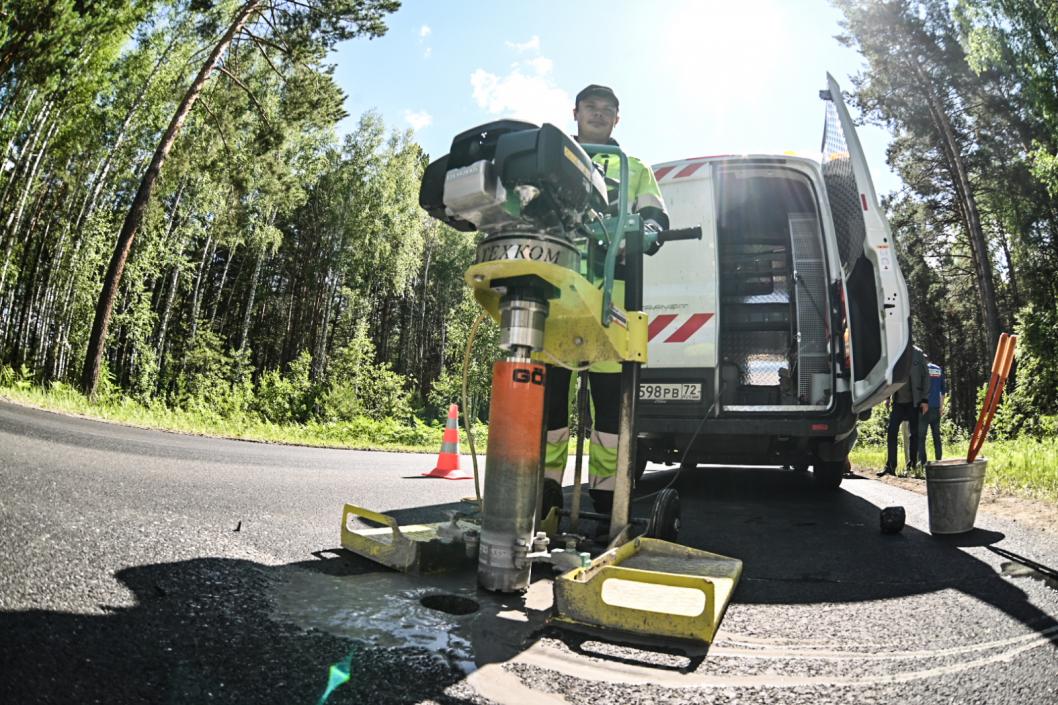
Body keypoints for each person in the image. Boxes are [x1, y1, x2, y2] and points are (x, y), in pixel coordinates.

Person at [543, 84, 669, 518]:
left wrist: (635, 238)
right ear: (575, 112)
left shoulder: (634, 169)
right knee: (549, 402)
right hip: (556, 298)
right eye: (590, 108)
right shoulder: (550, 161)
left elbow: (655, 222)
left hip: (612, 303)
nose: (598, 114)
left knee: (612, 409)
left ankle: (606, 498)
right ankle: (543, 491)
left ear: (618, 118)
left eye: (606, 110)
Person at [878, 345, 930, 476]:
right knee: (891, 431)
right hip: (898, 402)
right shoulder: (895, 351)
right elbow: (889, 374)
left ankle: (911, 466)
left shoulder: (918, 353)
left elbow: (926, 377)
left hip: (914, 402)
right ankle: (890, 466)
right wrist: (888, 397)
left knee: (914, 434)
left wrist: (925, 400)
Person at [918, 360, 947, 464]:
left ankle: (922, 462)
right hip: (936, 407)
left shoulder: (921, 370)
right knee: (936, 436)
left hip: (923, 408)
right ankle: (939, 461)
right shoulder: (938, 369)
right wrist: (941, 407)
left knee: (921, 437)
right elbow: (943, 391)